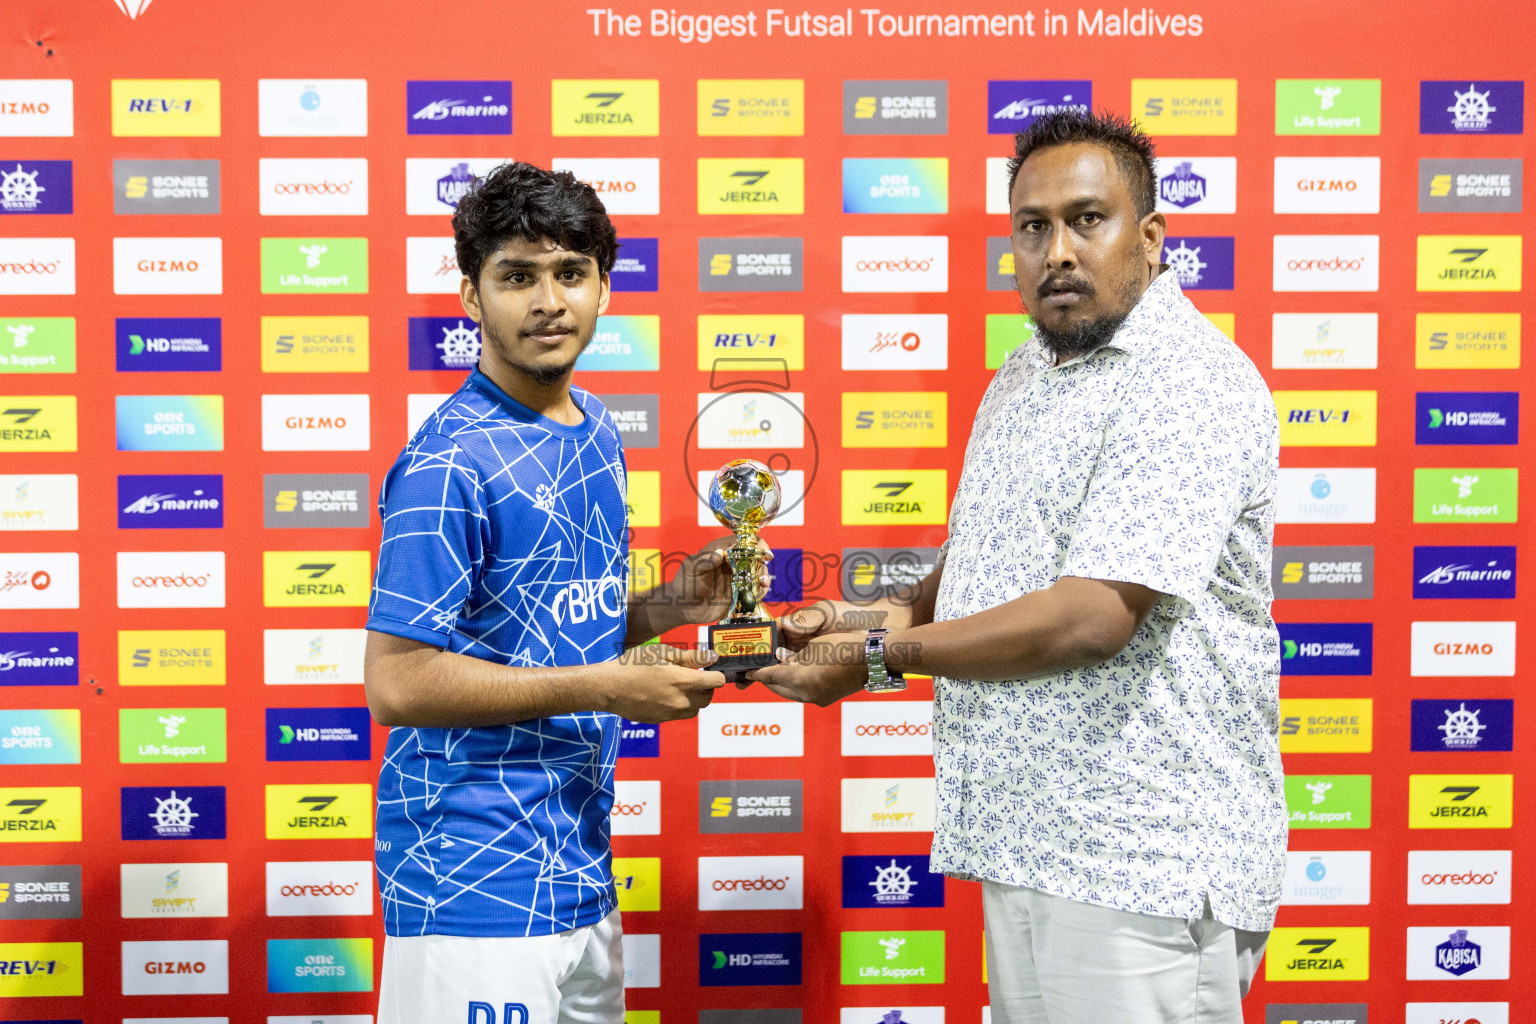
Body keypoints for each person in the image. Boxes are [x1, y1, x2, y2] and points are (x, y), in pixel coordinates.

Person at [754, 109, 1284, 1024]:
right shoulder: (1024, 376)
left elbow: (1090, 618)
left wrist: (877, 663)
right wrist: (861, 625)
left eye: (1089, 219)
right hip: (1030, 840)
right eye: (1034, 227)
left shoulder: (1187, 381)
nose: (1058, 252)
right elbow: (973, 579)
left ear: (1151, 239)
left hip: (1139, 861)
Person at [364, 161, 732, 1024]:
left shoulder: (598, 428)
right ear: (470, 295)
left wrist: (672, 605)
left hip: (579, 868)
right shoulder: (447, 463)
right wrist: (610, 687)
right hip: (469, 881)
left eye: (570, 273)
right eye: (516, 276)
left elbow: (550, 629)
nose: (548, 301)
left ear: (604, 286)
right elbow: (399, 681)